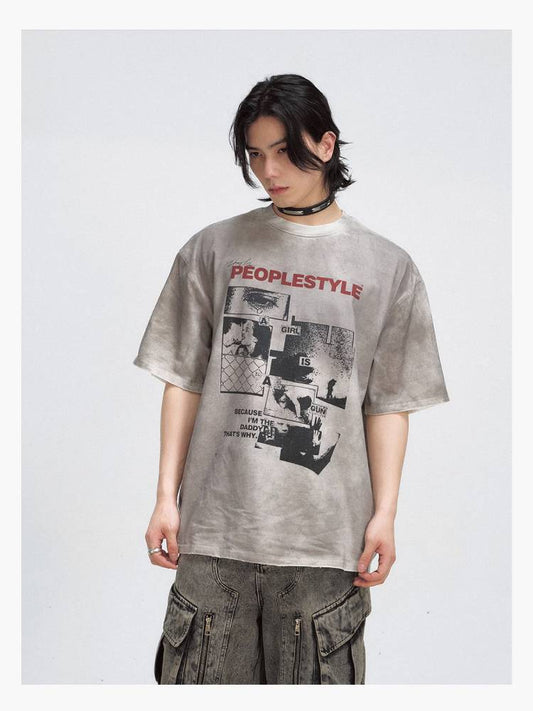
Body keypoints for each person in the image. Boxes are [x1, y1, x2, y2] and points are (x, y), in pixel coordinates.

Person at [133, 73, 450, 685]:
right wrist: (164, 496)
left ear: (326, 145)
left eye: (283, 151)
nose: (268, 171)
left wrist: (385, 513)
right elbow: (183, 380)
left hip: (327, 539)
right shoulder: (213, 248)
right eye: (255, 155)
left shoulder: (387, 266)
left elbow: (388, 404)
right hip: (216, 532)